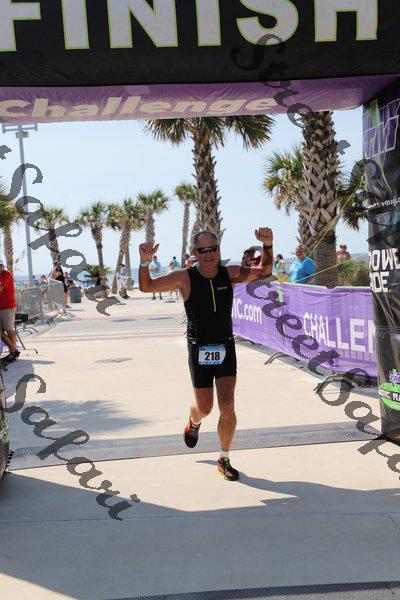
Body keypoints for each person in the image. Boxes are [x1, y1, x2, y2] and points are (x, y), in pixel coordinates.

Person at [139, 227, 274, 481]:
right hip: (198, 349)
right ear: (195, 252)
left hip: (225, 346)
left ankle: (224, 458)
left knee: (227, 403)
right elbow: (146, 286)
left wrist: (268, 246)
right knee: (205, 407)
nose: (209, 254)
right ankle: (194, 420)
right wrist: (145, 262)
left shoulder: (229, 274)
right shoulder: (184, 278)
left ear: (218, 250)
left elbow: (265, 272)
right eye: (203, 250)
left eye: (213, 249)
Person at [0, 261, 19, 364]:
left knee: (9, 330)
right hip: (1, 307)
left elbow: (1, 288)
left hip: (7, 307)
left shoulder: (6, 274)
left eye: (1, 265)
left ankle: (13, 353)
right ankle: (13, 350)